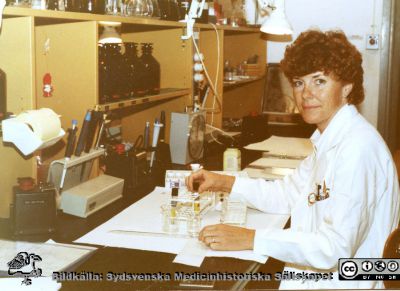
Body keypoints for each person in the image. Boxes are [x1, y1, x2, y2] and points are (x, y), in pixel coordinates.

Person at [186, 29, 400, 289]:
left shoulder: (357, 149)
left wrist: (251, 238)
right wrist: (225, 183)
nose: (306, 93)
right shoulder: (330, 139)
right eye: (299, 83)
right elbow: (287, 194)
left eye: (319, 81)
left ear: (347, 87)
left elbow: (335, 248)